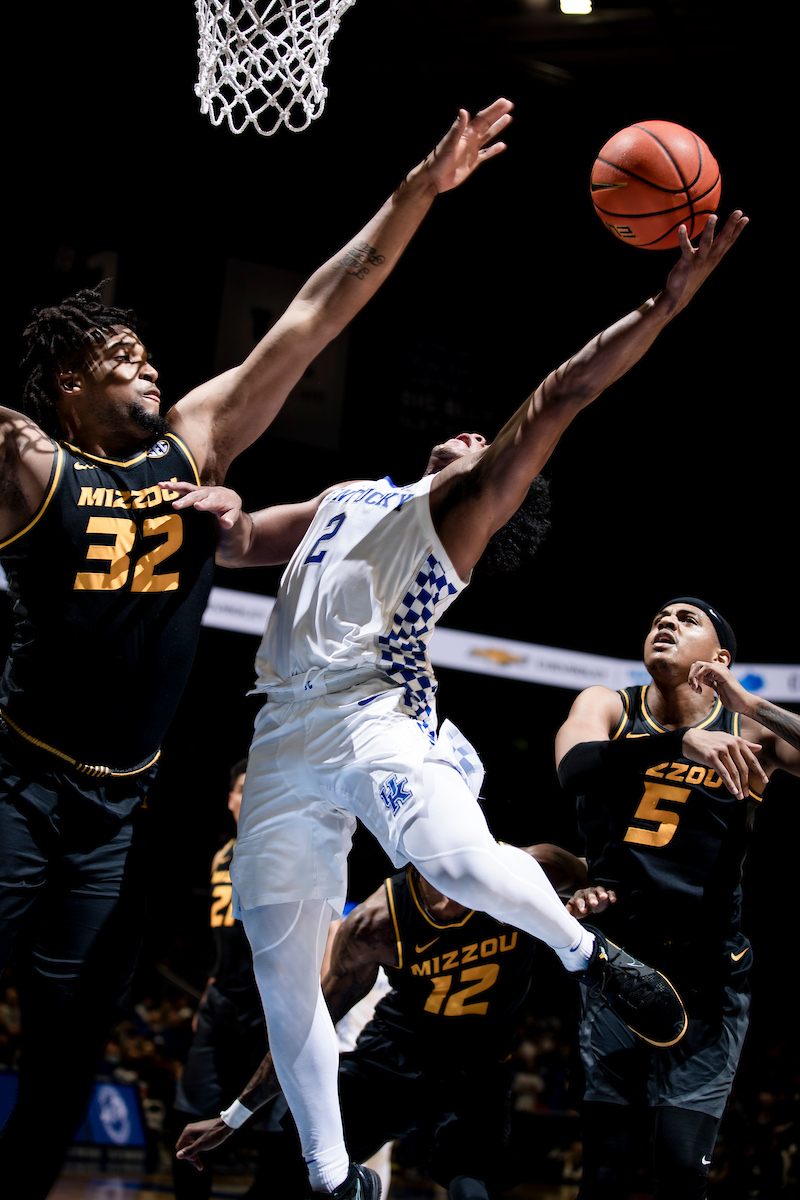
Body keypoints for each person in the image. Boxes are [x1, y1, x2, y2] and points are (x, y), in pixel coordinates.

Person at [169, 209, 749, 1199]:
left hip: (377, 715)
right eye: (473, 437)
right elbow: (244, 542)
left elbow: (566, 391)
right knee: (282, 974)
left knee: (453, 860)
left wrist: (662, 301)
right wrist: (222, 515)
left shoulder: (455, 515)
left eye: (490, 447)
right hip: (286, 742)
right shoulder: (355, 492)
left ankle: (582, 953)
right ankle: (330, 1174)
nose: (479, 438)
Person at [0, 97, 514, 1198]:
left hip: (117, 810)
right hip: (18, 778)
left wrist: (417, 189)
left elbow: (315, 314)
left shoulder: (199, 437)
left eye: (144, 350)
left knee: (70, 1038)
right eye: (115, 357)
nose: (142, 362)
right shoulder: (30, 464)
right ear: (64, 388)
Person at [555, 597, 800, 1199]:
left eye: (687, 619)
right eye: (659, 617)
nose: (665, 623)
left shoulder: (750, 731)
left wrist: (749, 703)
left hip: (708, 969)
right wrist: (682, 744)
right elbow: (575, 769)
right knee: (604, 1174)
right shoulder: (609, 704)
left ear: (719, 658)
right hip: (620, 963)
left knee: (680, 1174)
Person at [175, 844, 590, 1199]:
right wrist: (233, 1116)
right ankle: (355, 1186)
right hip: (397, 1053)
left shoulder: (524, 869)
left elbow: (598, 873)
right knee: (294, 1159)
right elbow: (308, 1027)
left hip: (479, 1066)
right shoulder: (376, 921)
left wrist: (595, 894)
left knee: (471, 1183)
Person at [171, 759, 275, 1200]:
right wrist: (211, 983)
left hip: (270, 1005)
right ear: (231, 799)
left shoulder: (282, 849)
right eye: (242, 789)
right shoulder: (220, 856)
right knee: (187, 1115)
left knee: (279, 1129)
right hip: (221, 1003)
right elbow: (222, 938)